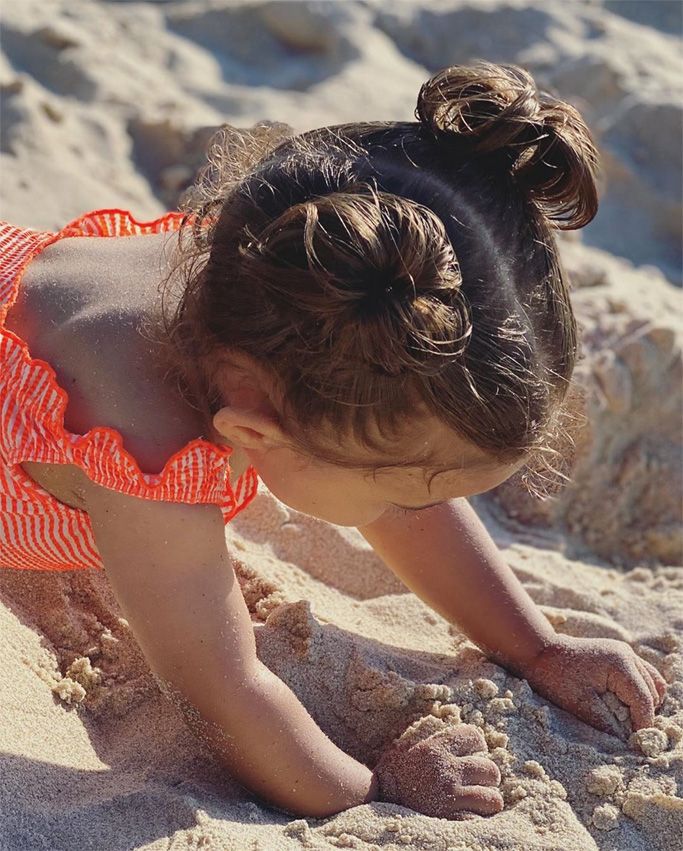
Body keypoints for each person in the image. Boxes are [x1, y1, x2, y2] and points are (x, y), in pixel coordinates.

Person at [0, 61, 666, 821]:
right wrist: (373, 790)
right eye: (399, 487)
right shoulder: (140, 445)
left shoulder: (269, 273)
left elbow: (400, 506)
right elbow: (220, 690)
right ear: (253, 432)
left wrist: (536, 645)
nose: (425, 511)